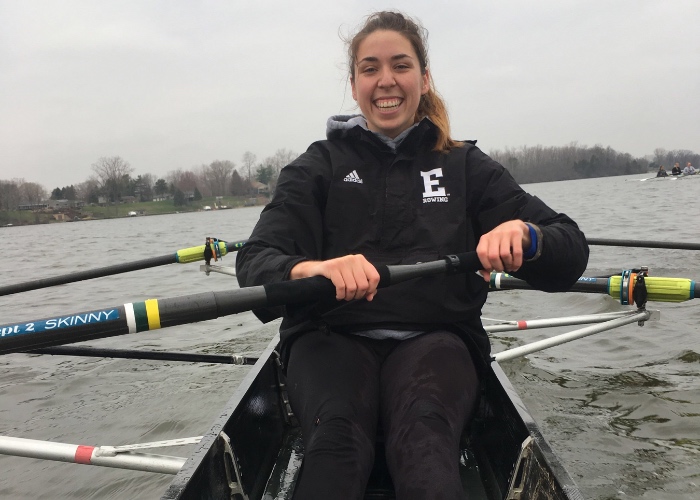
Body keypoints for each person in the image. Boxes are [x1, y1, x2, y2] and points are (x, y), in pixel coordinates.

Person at [236, 11, 588, 500]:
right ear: (354, 84)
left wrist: (526, 236)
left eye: (400, 66)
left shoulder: (464, 164)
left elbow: (570, 249)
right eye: (370, 68)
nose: (386, 81)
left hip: (437, 339)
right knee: (336, 440)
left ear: (423, 79)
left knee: (424, 437)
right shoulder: (317, 166)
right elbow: (255, 262)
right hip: (328, 336)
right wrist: (312, 268)